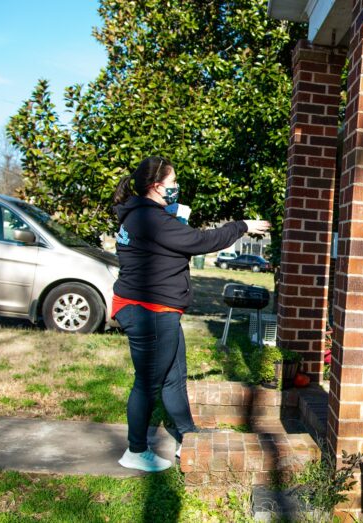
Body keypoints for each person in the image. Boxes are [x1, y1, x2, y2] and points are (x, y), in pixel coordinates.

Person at [112, 156, 269, 472]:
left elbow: (170, 246)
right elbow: (200, 241)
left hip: (158, 311)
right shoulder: (150, 219)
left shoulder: (146, 216)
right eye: (172, 183)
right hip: (148, 311)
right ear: (157, 187)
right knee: (148, 383)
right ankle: (135, 449)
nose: (175, 188)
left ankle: (188, 436)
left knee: (173, 378)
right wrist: (241, 226)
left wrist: (175, 219)